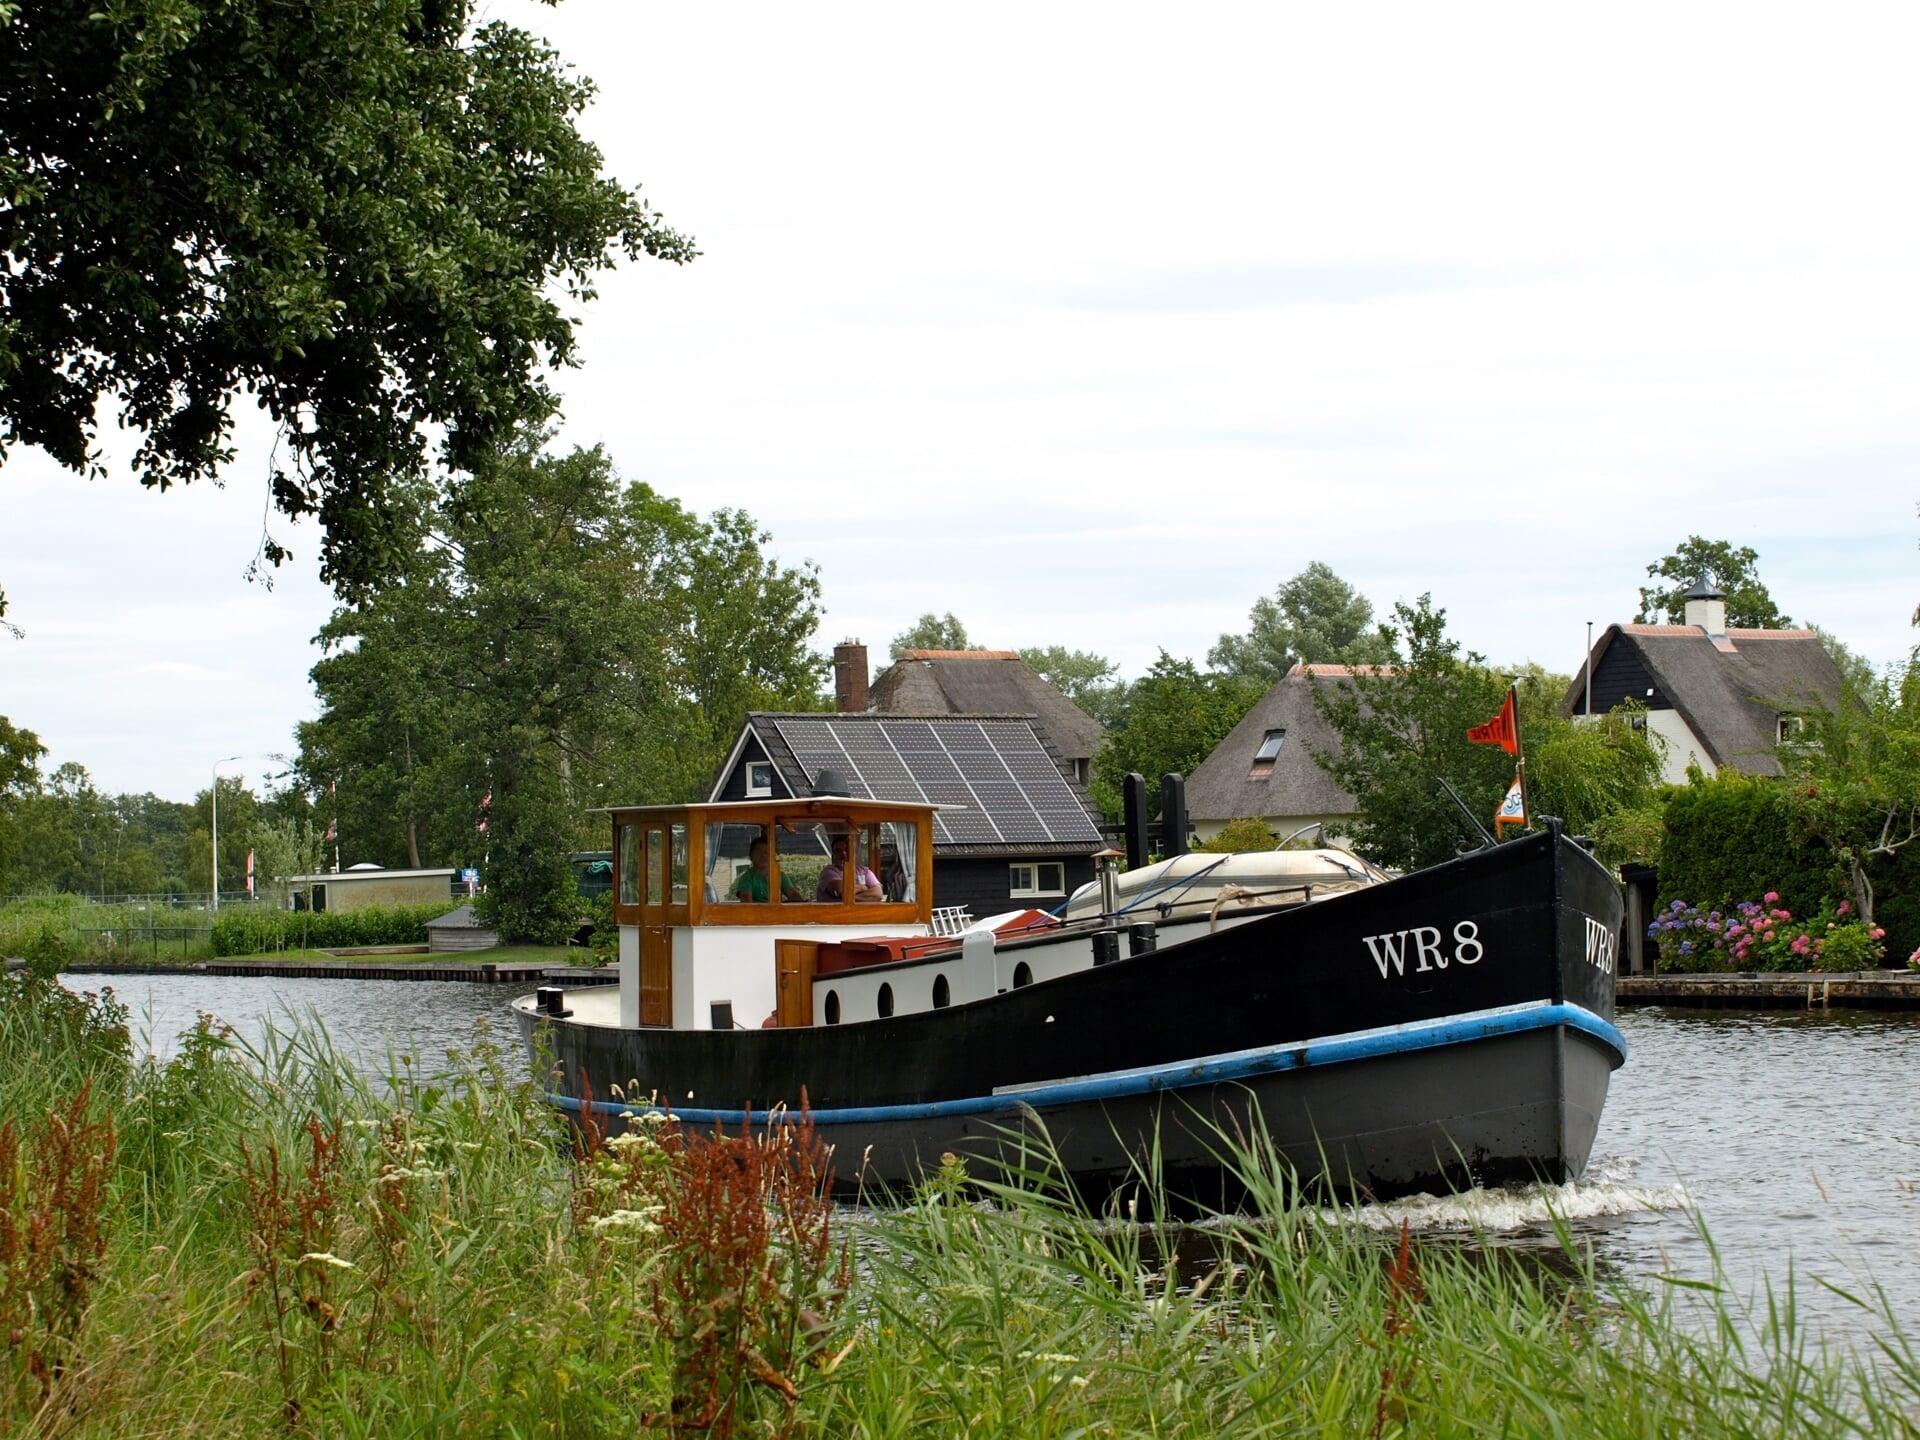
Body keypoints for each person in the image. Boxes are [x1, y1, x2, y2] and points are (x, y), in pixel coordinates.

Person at [733, 836, 803, 904]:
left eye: (767, 852)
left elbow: (792, 894)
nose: (763, 855)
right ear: (751, 855)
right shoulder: (747, 878)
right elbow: (746, 901)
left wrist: (802, 903)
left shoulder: (780, 876)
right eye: (759, 851)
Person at [816, 834, 884, 902]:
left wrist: (847, 899)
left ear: (853, 852)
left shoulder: (865, 871)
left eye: (846, 850)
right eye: (838, 851)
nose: (843, 854)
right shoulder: (828, 872)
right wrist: (864, 887)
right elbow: (841, 890)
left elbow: (878, 894)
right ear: (833, 855)